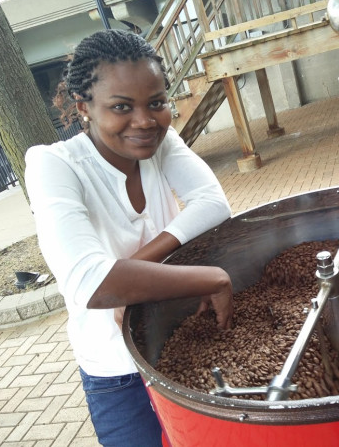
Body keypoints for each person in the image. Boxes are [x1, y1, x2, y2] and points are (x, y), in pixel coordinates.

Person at [24, 29, 234, 446]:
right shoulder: (54, 165)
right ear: (84, 108)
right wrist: (213, 278)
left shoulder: (161, 142)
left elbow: (213, 204)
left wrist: (130, 274)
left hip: (180, 337)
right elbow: (89, 281)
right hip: (115, 369)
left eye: (156, 102)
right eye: (121, 106)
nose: (144, 120)